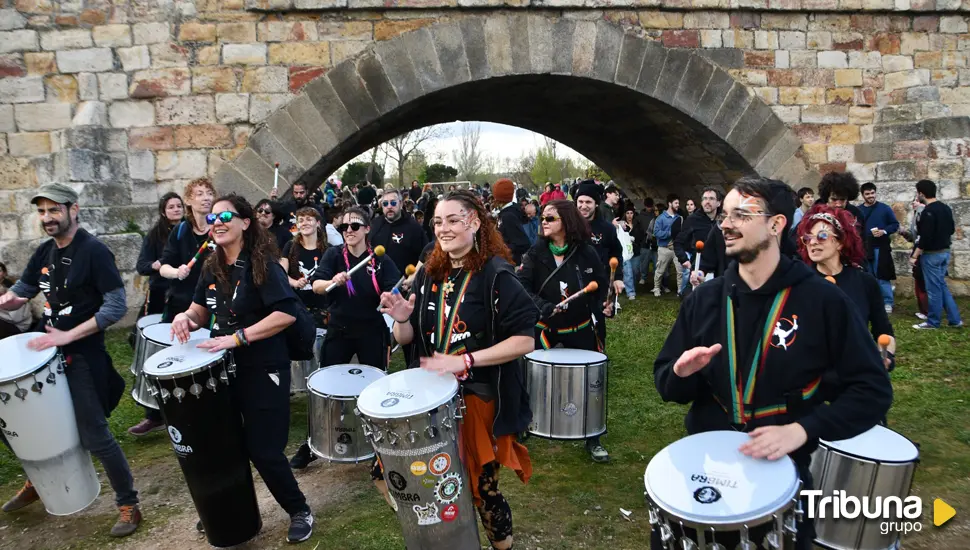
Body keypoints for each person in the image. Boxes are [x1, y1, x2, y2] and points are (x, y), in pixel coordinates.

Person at [653, 177, 893, 550]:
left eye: (741, 215)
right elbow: (667, 382)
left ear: (776, 224)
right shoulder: (704, 301)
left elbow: (873, 390)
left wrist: (803, 429)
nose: (726, 223)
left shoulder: (823, 301)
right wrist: (681, 373)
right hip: (706, 473)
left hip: (784, 479)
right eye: (726, 215)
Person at [380, 190, 535, 550]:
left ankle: (502, 545)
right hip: (431, 401)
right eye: (437, 221)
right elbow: (409, 338)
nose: (443, 229)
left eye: (453, 220)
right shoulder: (430, 274)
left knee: (483, 489)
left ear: (475, 222)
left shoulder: (498, 275)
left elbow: (525, 340)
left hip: (477, 400)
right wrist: (401, 320)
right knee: (403, 478)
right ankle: (445, 536)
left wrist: (465, 361)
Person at [169, 194, 313, 543]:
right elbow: (200, 310)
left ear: (245, 223)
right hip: (222, 370)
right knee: (224, 446)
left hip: (263, 366)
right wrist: (183, 317)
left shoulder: (262, 263)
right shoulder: (211, 265)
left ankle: (299, 510)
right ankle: (234, 509)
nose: (217, 222)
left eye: (226, 216)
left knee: (263, 449)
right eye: (213, 216)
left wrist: (238, 338)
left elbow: (286, 313)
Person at [0, 183, 141, 536]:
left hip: (82, 355)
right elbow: (24, 289)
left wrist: (68, 335)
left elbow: (115, 306)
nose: (47, 218)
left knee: (95, 434)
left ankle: (128, 504)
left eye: (54, 210)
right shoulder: (45, 251)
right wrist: (7, 300)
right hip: (47, 355)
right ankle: (40, 479)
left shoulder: (94, 251)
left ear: (73, 209)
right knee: (26, 429)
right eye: (42, 211)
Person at [518, 200, 613, 462]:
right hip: (546, 328)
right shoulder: (535, 253)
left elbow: (600, 287)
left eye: (550, 218)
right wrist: (544, 307)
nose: (543, 222)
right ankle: (525, 423)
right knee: (529, 377)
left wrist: (605, 306)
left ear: (567, 222)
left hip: (580, 327)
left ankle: (593, 435)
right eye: (543, 218)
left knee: (591, 381)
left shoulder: (586, 253)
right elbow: (523, 288)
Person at [797, 205, 896, 371]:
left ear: (840, 242)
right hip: (813, 380)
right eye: (807, 238)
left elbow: (883, 331)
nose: (812, 242)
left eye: (822, 236)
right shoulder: (801, 283)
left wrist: (885, 357)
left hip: (854, 375)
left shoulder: (865, 282)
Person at [128, 191, 184, 436]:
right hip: (161, 296)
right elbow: (142, 265)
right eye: (171, 206)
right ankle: (153, 411)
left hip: (185, 296)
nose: (175, 209)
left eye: (179, 205)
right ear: (163, 211)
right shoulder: (154, 235)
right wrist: (159, 265)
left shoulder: (190, 231)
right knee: (146, 345)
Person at [159, 178, 216, 322]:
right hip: (180, 301)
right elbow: (163, 267)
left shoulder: (220, 229)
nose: (206, 198)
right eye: (200, 194)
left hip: (210, 304)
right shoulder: (181, 230)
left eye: (209, 193)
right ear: (188, 200)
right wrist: (177, 272)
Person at [911, 179, 963, 329]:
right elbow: (952, 229)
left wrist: (915, 256)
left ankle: (933, 322)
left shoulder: (928, 211)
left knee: (933, 290)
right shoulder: (945, 208)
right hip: (945, 252)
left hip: (932, 255)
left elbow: (925, 237)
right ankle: (955, 320)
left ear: (921, 193)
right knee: (941, 286)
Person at [575, 181, 624, 302]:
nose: (583, 206)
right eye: (580, 202)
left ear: (596, 204)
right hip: (574, 283)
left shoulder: (607, 228)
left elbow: (616, 253)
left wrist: (617, 277)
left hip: (599, 283)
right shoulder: (569, 226)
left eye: (588, 202)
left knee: (600, 317)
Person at [368, 188, 429, 275]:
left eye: (393, 203)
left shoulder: (413, 227)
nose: (389, 206)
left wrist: (414, 278)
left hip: (403, 282)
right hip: (377, 281)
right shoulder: (374, 224)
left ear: (400, 204)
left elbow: (426, 256)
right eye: (385, 204)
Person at [858, 182, 898, 313]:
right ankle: (872, 301)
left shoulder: (884, 208)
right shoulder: (859, 211)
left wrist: (884, 231)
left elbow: (894, 224)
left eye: (872, 193)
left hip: (880, 247)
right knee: (868, 276)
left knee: (882, 276)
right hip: (865, 247)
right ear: (863, 195)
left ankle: (887, 302)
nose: (871, 196)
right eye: (867, 194)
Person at [676, 188, 721, 297]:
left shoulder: (724, 220)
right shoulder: (693, 220)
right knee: (692, 302)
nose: (707, 202)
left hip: (720, 269)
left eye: (711, 198)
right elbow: (678, 242)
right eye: (705, 199)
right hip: (699, 268)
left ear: (718, 203)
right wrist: (683, 259)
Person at [899, 196, 928, 319]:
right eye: (914, 201)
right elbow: (913, 237)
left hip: (924, 253)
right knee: (918, 281)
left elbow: (923, 237)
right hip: (918, 250)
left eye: (918, 201)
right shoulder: (916, 216)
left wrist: (915, 255)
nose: (915, 204)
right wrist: (903, 232)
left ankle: (927, 311)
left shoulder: (924, 215)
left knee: (923, 283)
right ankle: (923, 310)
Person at [493, 178, 531, 265]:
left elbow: (523, 243)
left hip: (509, 263)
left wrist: (502, 249)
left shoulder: (508, 216)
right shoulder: (506, 213)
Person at [651, 194, 682, 297]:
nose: (678, 205)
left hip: (677, 249)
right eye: (676, 203)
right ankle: (656, 288)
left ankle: (680, 291)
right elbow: (656, 233)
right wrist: (671, 233)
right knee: (660, 270)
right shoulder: (660, 218)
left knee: (680, 271)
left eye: (678, 203)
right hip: (664, 249)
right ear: (670, 204)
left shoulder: (679, 218)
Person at [617, 206, 641, 300]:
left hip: (635, 251)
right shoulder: (621, 225)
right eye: (627, 213)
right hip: (625, 252)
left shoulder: (637, 223)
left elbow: (641, 235)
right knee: (628, 272)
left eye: (631, 213)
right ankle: (630, 292)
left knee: (635, 271)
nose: (629, 215)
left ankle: (629, 286)